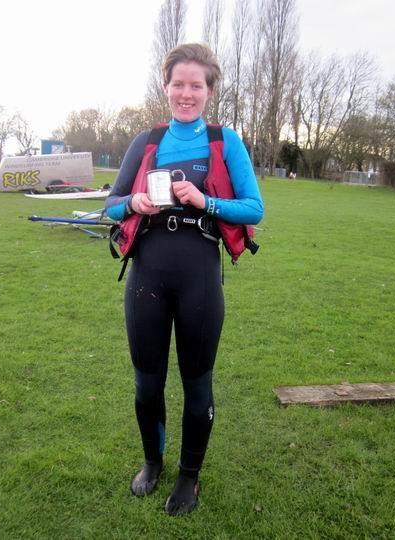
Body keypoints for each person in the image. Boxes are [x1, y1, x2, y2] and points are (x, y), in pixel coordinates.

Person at [105, 43, 264, 516]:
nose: (186, 93)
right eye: (179, 84)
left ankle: (189, 477)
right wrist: (134, 204)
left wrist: (204, 201)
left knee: (197, 386)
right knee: (145, 384)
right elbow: (110, 204)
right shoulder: (146, 140)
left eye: (196, 85)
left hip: (199, 276)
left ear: (209, 91)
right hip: (146, 276)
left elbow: (254, 208)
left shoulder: (225, 141)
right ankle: (153, 464)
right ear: (166, 87)